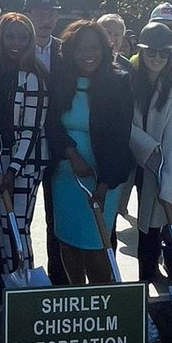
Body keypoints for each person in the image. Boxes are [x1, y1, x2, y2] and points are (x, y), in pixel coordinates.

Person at [47, 20, 134, 285]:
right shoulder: (61, 80)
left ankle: (101, 305)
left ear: (105, 49)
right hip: (65, 178)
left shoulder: (119, 82)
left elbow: (121, 139)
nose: (89, 54)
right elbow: (51, 125)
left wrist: (105, 183)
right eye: (81, 48)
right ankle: (77, 298)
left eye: (95, 47)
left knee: (97, 246)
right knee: (68, 243)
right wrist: (72, 156)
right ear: (71, 51)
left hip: (101, 180)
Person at [0, 13, 48, 299]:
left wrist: (13, 169)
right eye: (9, 36)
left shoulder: (35, 75)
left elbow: (32, 128)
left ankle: (24, 292)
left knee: (16, 228)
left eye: (23, 37)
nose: (16, 43)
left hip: (23, 164)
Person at [128, 22, 172, 285]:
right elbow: (120, 122)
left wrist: (168, 188)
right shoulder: (128, 82)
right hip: (128, 164)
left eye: (163, 53)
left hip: (157, 167)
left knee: (151, 227)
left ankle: (148, 276)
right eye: (151, 52)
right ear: (141, 53)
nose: (156, 58)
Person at [24, 0, 66, 285]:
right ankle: (17, 277)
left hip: (57, 146)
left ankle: (57, 279)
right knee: (18, 216)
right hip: (22, 147)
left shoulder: (66, 51)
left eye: (51, 11)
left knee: (57, 216)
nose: (45, 17)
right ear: (28, 15)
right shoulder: (14, 50)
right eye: (39, 11)